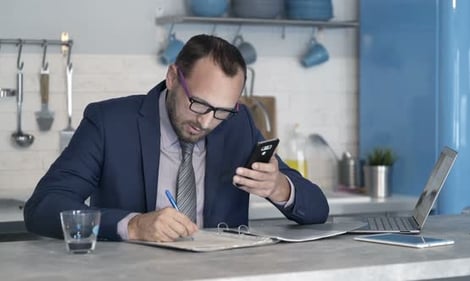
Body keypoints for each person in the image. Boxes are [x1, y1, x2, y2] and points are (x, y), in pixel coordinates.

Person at [24, 34, 329, 242]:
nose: (207, 121)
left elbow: (317, 208)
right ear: (172, 78)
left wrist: (279, 187)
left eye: (222, 111)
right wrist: (132, 225)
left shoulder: (238, 126)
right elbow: (43, 207)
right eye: (198, 103)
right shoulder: (109, 123)